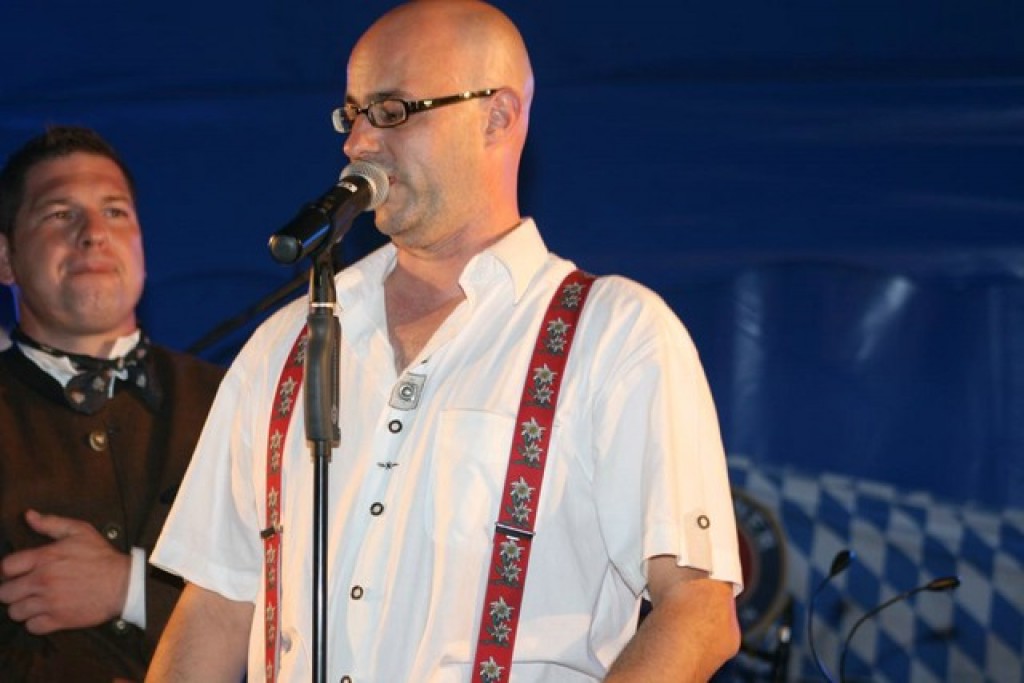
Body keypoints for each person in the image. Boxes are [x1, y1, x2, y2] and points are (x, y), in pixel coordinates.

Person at [147, 1, 743, 681]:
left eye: (392, 110)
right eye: (352, 114)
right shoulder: (285, 343)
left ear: (498, 117)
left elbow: (698, 611)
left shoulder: (614, 334)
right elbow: (217, 607)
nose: (358, 142)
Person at [0, 126, 225, 681]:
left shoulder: (232, 401)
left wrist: (128, 589)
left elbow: (303, 599)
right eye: (60, 214)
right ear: (5, 258)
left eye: (115, 212)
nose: (94, 234)